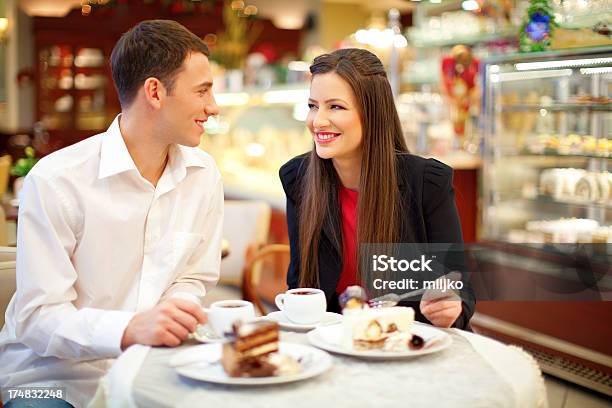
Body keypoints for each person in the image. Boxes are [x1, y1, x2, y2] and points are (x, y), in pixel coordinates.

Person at [0, 20, 222, 407]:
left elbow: (192, 278)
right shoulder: (57, 181)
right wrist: (131, 328)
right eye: (202, 91)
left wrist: (174, 314)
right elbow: (37, 319)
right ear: (154, 91)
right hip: (49, 377)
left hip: (151, 369)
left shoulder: (203, 175)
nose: (212, 107)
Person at [279, 48, 474, 330]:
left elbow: (459, 289)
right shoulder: (298, 178)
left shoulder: (427, 183)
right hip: (336, 341)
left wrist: (449, 307)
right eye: (313, 105)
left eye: (335, 106)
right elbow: (299, 283)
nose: (318, 120)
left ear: (372, 113)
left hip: (412, 342)